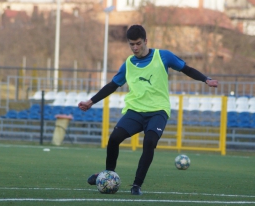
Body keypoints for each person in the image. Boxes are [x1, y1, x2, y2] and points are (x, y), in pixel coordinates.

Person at [78, 24, 218, 195]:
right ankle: (108, 175)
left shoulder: (163, 56)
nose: (135, 47)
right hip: (135, 111)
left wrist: (206, 79)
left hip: (158, 111)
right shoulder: (128, 64)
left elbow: (186, 69)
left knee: (149, 142)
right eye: (131, 44)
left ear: (145, 41)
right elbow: (113, 85)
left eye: (138, 43)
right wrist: (91, 101)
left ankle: (136, 185)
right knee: (114, 138)